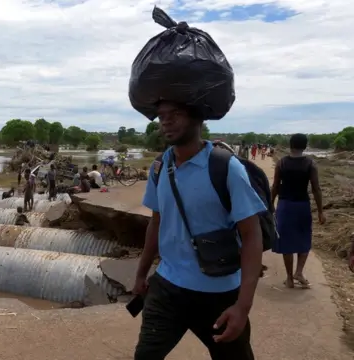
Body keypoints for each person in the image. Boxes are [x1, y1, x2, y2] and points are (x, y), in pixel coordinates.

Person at [133, 101, 265, 360]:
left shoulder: (225, 167)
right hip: (167, 287)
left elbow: (252, 234)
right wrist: (141, 274)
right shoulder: (160, 167)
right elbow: (156, 222)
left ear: (198, 119)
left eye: (176, 114)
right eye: (161, 116)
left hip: (219, 295)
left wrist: (242, 306)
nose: (166, 121)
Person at [270, 133, 325, 289]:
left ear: (290, 145)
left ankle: (289, 279)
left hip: (285, 206)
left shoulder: (281, 163)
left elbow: (275, 186)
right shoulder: (310, 164)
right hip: (302, 206)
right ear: (305, 146)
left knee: (286, 241)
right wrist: (321, 211)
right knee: (304, 238)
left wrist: (270, 204)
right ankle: (299, 272)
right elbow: (316, 189)